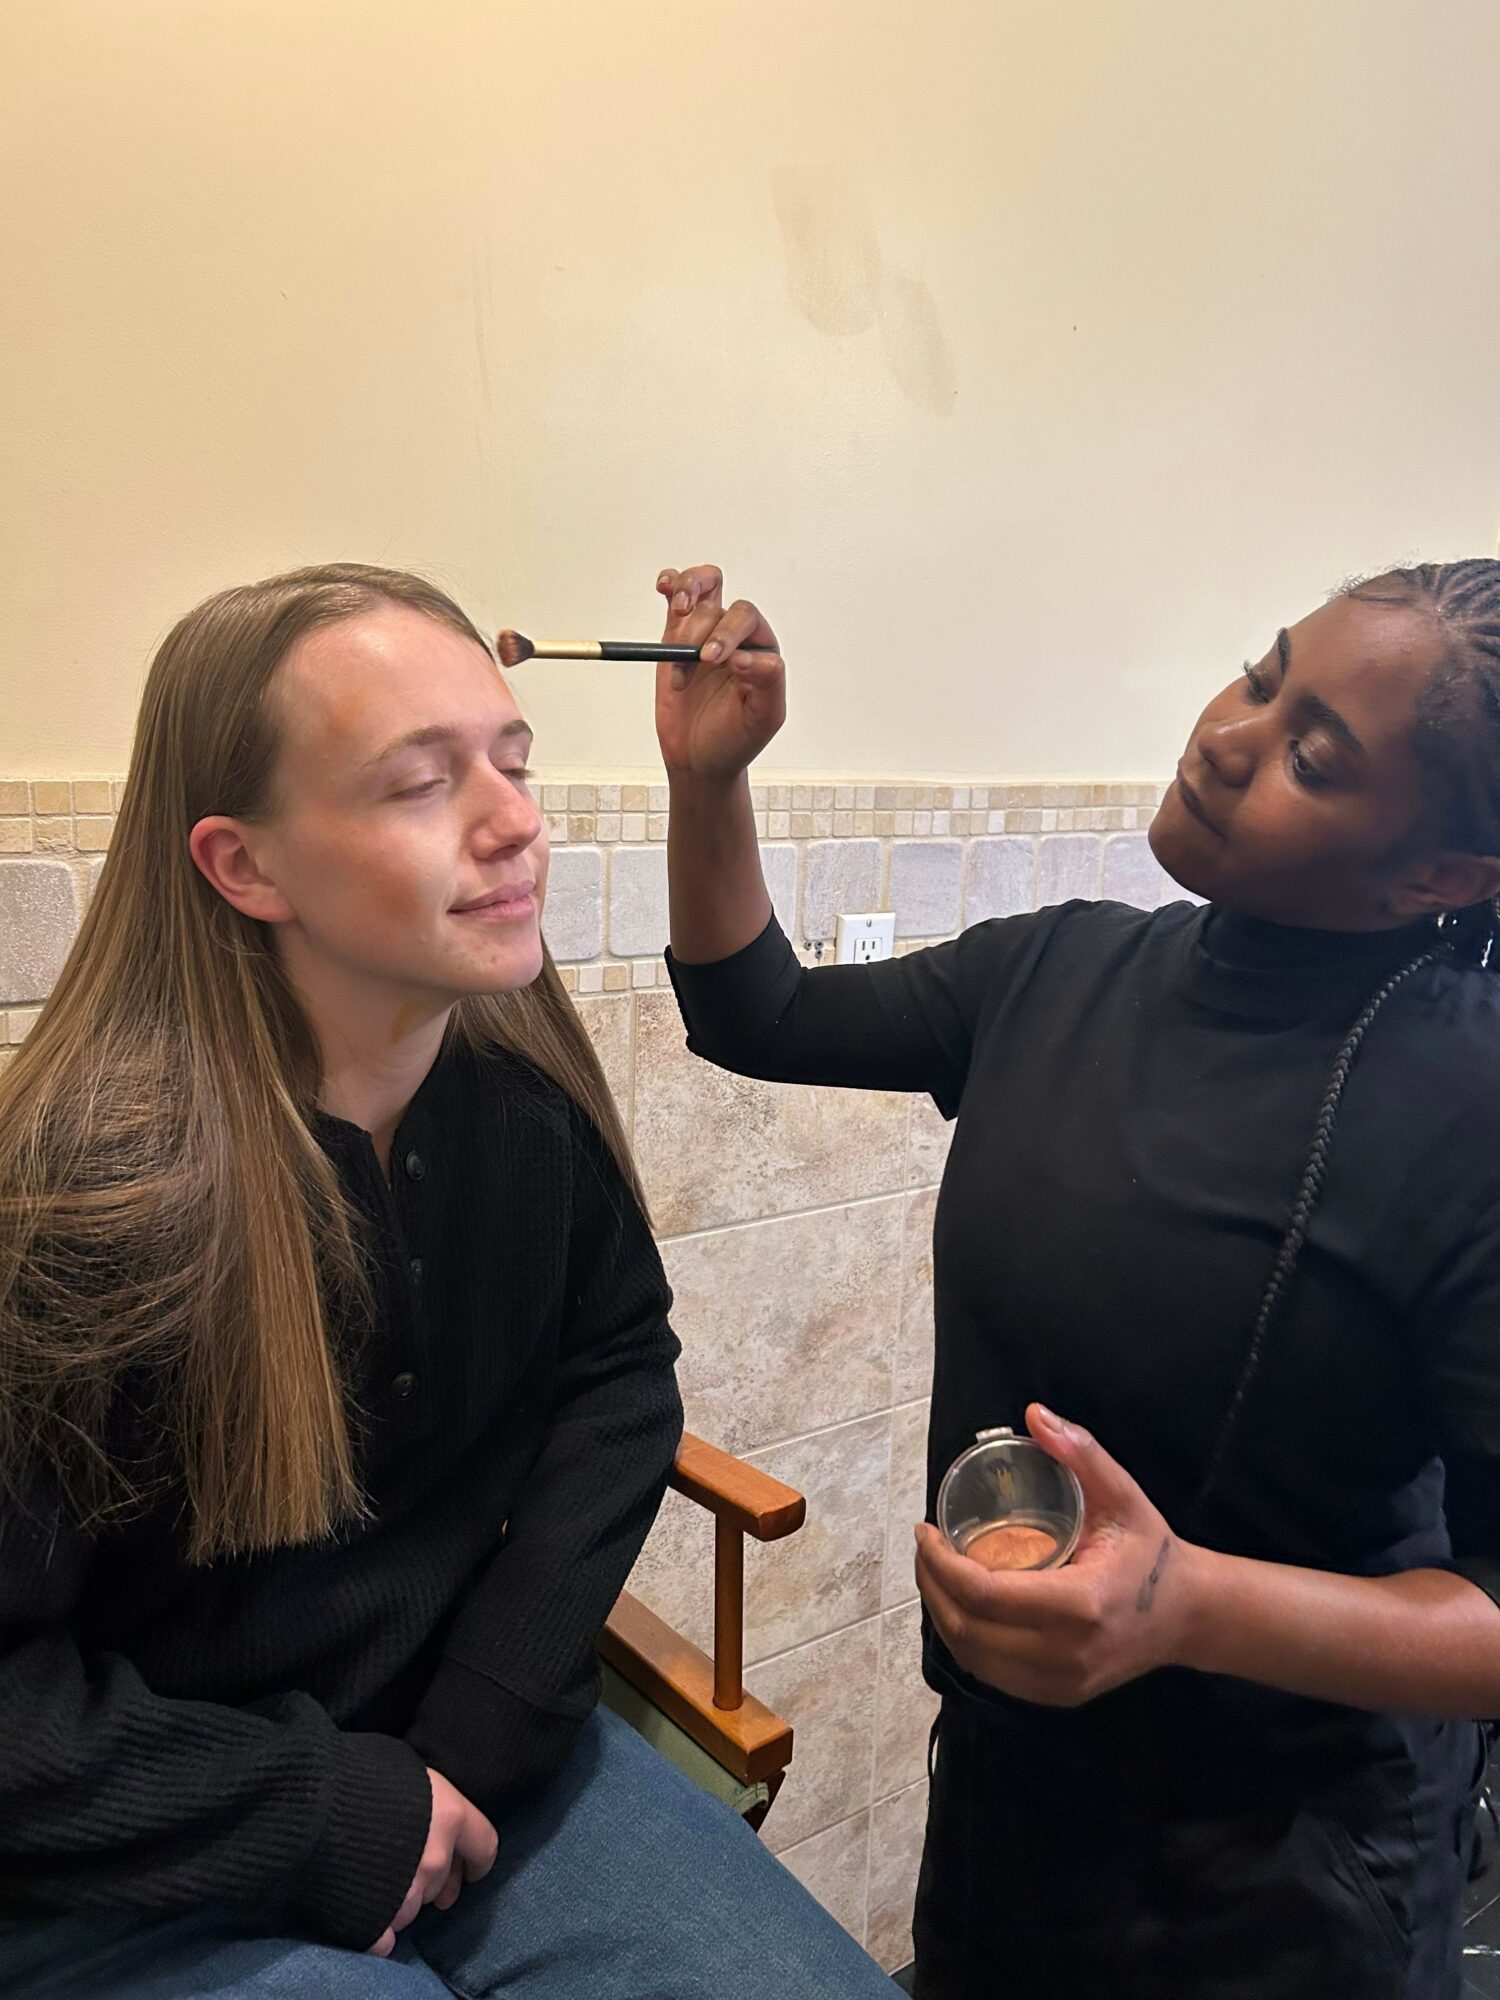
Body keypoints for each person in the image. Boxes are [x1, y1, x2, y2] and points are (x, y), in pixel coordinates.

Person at [0, 563, 897, 1999]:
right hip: (157, 1852)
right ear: (244, 866)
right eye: (423, 784)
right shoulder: (78, 1205)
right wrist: (331, 1817)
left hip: (479, 1764)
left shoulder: (524, 1106)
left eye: (514, 763)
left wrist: (479, 1736)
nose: (517, 822)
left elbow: (618, 1375)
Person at [654, 556, 1500, 1998]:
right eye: (1259, 676)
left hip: (1289, 1888)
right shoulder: (1058, 969)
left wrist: (1191, 1606)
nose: (1227, 737)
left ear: (1440, 878)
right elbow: (757, 1011)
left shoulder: (1468, 1107)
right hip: (1010, 1812)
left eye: (1312, 756)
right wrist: (709, 780)